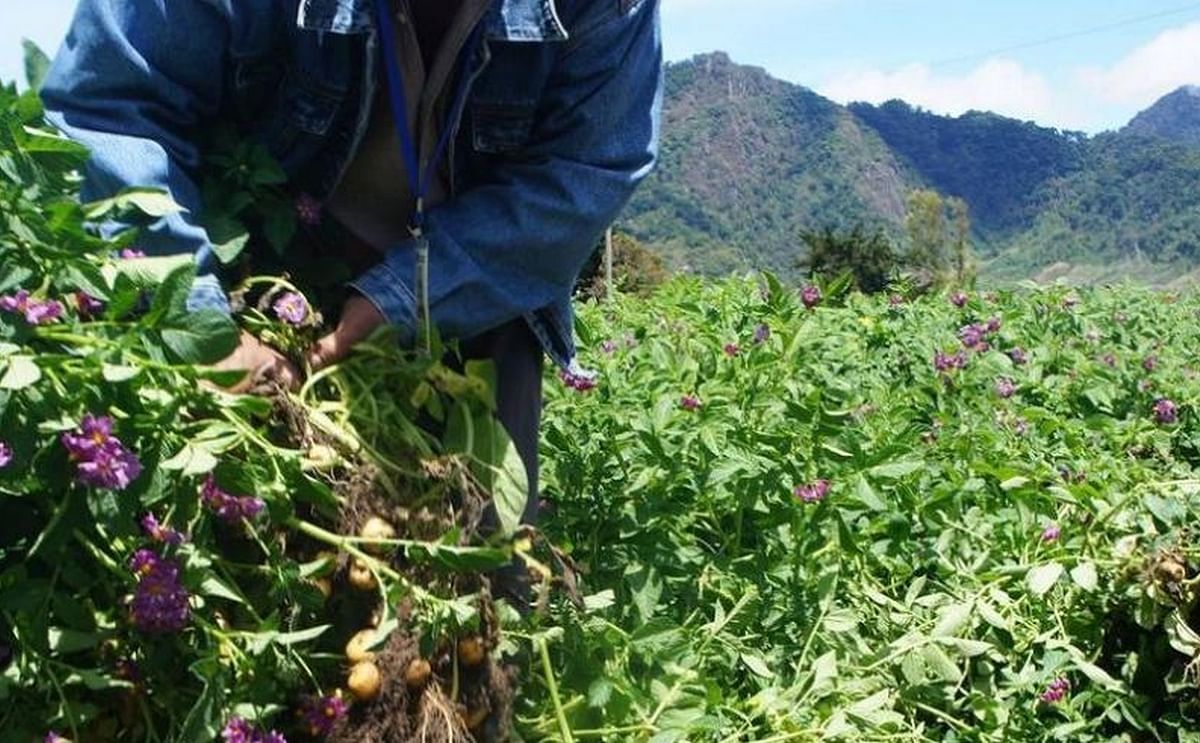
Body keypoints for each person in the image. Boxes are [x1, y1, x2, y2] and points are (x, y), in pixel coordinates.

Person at [41, 0, 662, 598]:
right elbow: (115, 106)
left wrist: (400, 299)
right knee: (241, 553)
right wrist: (203, 328)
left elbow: (592, 165)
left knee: (482, 573)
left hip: (483, 271)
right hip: (261, 260)